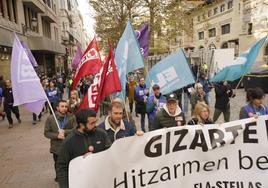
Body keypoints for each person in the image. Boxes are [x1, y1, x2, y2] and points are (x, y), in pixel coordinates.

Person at [57, 109, 111, 188]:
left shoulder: (102, 134)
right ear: (81, 125)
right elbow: (62, 167)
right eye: (92, 123)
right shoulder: (68, 141)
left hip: (101, 181)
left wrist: (95, 156)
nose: (95, 125)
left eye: (95, 122)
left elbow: (110, 153)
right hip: (80, 182)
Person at [44, 100, 76, 182]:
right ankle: (59, 176)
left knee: (69, 163)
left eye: (66, 106)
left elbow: (75, 129)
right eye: (62, 106)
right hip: (56, 147)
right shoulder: (51, 118)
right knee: (58, 163)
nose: (64, 108)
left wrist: (65, 132)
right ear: (57, 108)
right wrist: (57, 136)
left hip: (69, 146)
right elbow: (46, 133)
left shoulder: (71, 117)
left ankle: (69, 176)